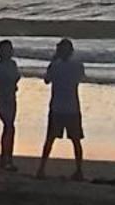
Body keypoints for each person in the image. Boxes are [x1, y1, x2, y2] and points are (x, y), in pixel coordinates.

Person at [36, 38, 86, 181]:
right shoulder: (77, 65)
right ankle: (79, 170)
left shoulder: (55, 65)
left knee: (51, 139)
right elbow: (80, 78)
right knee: (75, 140)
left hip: (59, 107)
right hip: (71, 107)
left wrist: (53, 61)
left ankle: (41, 169)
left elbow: (47, 80)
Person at [0, 39, 21, 171]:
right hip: (1, 100)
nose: (8, 52)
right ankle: (5, 159)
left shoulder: (13, 64)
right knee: (9, 126)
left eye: (9, 49)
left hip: (11, 99)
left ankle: (7, 158)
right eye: (5, 50)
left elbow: (15, 79)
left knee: (10, 128)